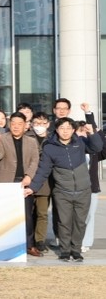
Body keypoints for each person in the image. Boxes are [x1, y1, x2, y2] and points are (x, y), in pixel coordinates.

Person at [24, 117, 103, 261]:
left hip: (83, 190)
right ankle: (65, 250)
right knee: (64, 222)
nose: (65, 131)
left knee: (80, 222)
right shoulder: (49, 147)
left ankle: (76, 250)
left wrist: (92, 134)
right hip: (62, 191)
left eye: (68, 128)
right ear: (56, 130)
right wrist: (33, 188)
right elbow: (43, 170)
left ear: (73, 130)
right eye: (62, 128)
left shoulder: (80, 142)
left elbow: (97, 148)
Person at [0, 112, 41, 257]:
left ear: (25, 125)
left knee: (27, 215)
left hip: (24, 183)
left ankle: (29, 245)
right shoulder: (3, 138)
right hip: (5, 181)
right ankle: (4, 244)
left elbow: (35, 161)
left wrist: (29, 176)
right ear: (9, 124)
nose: (16, 127)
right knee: (5, 215)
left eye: (19, 124)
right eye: (13, 123)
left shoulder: (31, 141)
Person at [81, 102, 106, 253]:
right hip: (74, 188)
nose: (84, 133)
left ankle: (86, 242)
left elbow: (103, 147)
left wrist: (90, 119)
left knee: (89, 215)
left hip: (91, 188)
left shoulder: (94, 151)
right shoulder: (74, 148)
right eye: (81, 131)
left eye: (87, 131)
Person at [29, 111, 52, 252]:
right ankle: (29, 240)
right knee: (29, 213)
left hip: (45, 182)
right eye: (37, 123)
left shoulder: (53, 139)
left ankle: (40, 240)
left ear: (48, 124)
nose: (40, 126)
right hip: (29, 179)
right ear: (31, 124)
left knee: (42, 213)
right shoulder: (27, 137)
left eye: (43, 123)